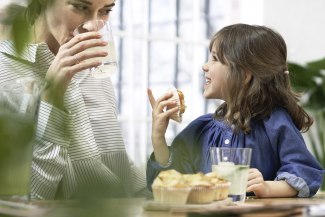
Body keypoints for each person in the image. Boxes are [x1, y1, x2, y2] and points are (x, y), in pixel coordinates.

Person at [147, 23, 324, 198]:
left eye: (215, 59)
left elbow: (305, 173)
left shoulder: (275, 123)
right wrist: (158, 137)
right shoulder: (200, 129)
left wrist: (268, 188)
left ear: (245, 75)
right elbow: (172, 182)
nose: (204, 66)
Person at [0, 0, 149, 199]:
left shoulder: (95, 68)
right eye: (80, 7)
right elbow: (27, 200)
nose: (92, 25)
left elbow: (115, 164)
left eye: (105, 11)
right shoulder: (5, 74)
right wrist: (53, 95)